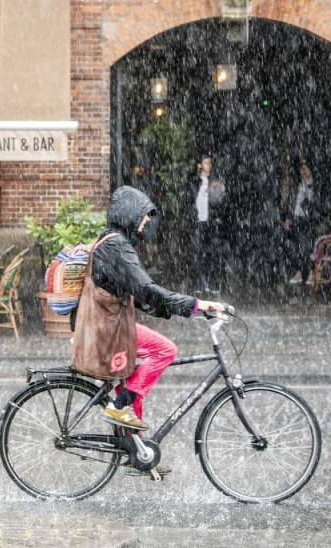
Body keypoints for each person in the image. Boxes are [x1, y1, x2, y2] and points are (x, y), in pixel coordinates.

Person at [88, 186, 224, 466]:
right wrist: (195, 305)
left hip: (105, 324)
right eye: (143, 217)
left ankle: (137, 452)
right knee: (165, 350)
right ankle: (119, 404)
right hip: (109, 327)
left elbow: (139, 295)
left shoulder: (112, 242)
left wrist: (174, 307)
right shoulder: (117, 246)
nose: (145, 223)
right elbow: (146, 290)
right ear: (130, 214)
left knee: (137, 375)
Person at [191, 155, 227, 293]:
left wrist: (218, 216)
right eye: (205, 162)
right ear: (200, 165)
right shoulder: (195, 182)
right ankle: (199, 283)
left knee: (212, 253)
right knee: (198, 253)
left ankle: (212, 282)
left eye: (210, 162)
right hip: (199, 222)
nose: (208, 165)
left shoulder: (215, 181)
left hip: (211, 222)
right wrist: (193, 217)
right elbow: (189, 200)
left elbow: (221, 200)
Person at [284, 162, 316, 285]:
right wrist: (289, 217)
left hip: (308, 220)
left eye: (305, 169)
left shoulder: (313, 184)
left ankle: (310, 273)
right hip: (298, 218)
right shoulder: (298, 185)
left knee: (308, 247)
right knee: (298, 247)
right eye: (301, 170)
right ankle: (299, 272)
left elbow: (313, 201)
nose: (303, 173)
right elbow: (294, 201)